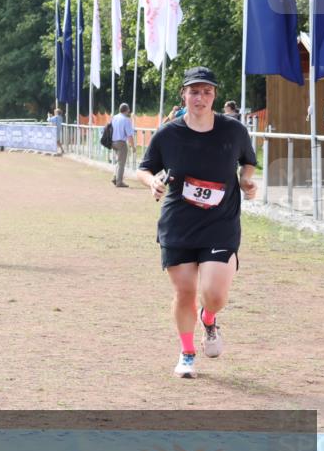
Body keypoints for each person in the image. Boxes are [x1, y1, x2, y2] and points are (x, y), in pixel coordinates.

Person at [135, 67, 257, 379]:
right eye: (194, 91)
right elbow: (144, 168)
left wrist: (246, 180)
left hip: (220, 222)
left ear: (214, 96)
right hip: (179, 223)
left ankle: (209, 318)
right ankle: (187, 353)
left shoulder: (233, 130)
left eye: (206, 92)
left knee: (214, 294)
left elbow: (248, 161)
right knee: (185, 292)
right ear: (184, 95)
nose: (200, 97)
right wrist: (152, 182)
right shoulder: (168, 134)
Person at [110, 103, 135, 188]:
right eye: (128, 109)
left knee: (118, 161)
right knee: (121, 163)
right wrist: (133, 146)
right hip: (121, 143)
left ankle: (115, 178)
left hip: (113, 142)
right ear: (127, 110)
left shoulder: (114, 117)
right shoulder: (126, 120)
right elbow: (129, 135)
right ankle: (119, 182)